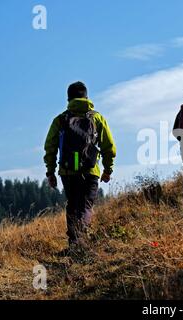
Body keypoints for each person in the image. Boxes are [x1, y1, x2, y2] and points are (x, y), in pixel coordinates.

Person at [43, 81, 116, 247]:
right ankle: (82, 239)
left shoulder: (60, 120)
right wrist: (108, 169)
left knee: (73, 204)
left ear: (68, 99)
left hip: (68, 171)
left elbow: (50, 147)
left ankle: (74, 241)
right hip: (91, 170)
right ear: (87, 97)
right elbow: (109, 146)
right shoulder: (97, 118)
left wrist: (50, 172)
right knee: (86, 205)